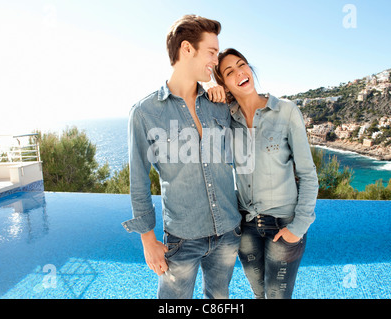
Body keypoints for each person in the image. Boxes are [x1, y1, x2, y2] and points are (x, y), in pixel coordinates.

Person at [122, 16, 242, 299]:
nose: (216, 60)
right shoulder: (145, 113)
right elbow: (138, 181)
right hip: (182, 238)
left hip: (227, 231)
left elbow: (253, 118)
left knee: (219, 298)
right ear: (187, 49)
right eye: (212, 52)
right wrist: (148, 240)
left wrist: (228, 92)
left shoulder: (219, 104)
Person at [209, 48, 319, 299]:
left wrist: (299, 227)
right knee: (259, 294)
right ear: (224, 84)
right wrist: (208, 91)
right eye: (229, 72)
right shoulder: (227, 119)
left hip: (284, 224)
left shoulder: (286, 111)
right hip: (246, 225)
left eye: (241, 65)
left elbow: (308, 174)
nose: (240, 72)